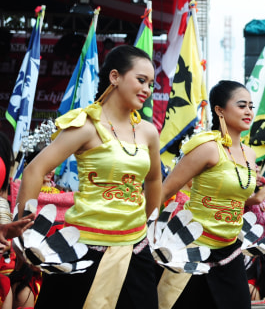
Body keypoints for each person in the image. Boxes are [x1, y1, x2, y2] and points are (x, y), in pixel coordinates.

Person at [16, 45, 161, 308]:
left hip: (135, 250)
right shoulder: (86, 125)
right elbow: (34, 171)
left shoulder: (148, 132)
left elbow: (153, 180)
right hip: (84, 248)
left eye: (151, 84)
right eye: (141, 80)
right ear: (114, 77)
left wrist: (151, 227)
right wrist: (26, 230)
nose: (147, 90)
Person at [160, 80, 258, 309]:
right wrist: (148, 235)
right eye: (242, 105)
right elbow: (166, 190)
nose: (248, 111)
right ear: (219, 110)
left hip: (230, 251)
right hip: (193, 248)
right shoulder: (207, 147)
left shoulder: (250, 155)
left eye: (251, 106)